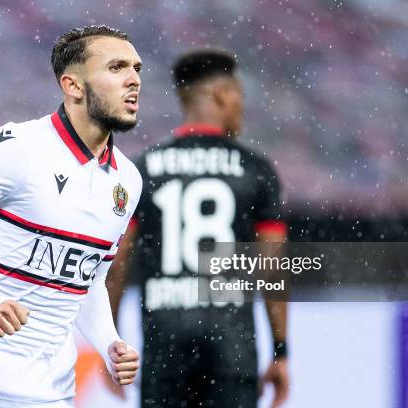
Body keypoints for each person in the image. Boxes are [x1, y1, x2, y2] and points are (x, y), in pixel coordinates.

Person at [0, 25, 143, 408]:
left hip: (50, 394)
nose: (133, 80)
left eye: (136, 68)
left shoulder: (127, 181)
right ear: (73, 86)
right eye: (116, 68)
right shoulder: (16, 148)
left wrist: (108, 343)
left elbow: (87, 282)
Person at [108, 49, 289, 408]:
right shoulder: (254, 169)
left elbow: (116, 263)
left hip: (165, 345)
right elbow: (273, 267)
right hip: (231, 348)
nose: (241, 106)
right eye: (238, 94)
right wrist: (281, 350)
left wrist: (110, 342)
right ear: (223, 94)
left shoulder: (143, 170)